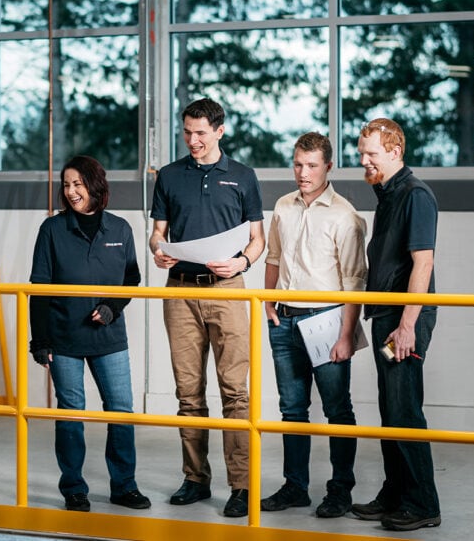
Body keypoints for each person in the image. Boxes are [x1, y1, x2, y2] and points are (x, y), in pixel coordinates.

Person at [149, 97, 265, 518]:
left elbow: (257, 239)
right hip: (179, 292)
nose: (193, 140)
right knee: (188, 393)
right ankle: (195, 479)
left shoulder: (243, 177)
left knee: (235, 392)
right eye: (187, 132)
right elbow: (157, 233)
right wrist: (159, 250)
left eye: (200, 133)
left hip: (228, 289)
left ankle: (241, 485)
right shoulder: (169, 176)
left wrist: (243, 261)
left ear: (220, 130)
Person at [28, 155, 150, 513]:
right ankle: (74, 488)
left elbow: (131, 281)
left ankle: (124, 486)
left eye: (78, 184)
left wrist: (112, 308)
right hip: (64, 338)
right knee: (71, 413)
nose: (71, 191)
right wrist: (41, 340)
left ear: (96, 186)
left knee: (120, 411)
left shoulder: (121, 229)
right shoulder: (52, 230)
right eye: (66, 185)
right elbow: (39, 287)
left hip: (109, 338)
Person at [259, 131, 368, 518]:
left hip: (326, 321)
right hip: (284, 320)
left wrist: (345, 336)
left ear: (328, 167)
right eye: (298, 164)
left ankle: (340, 491)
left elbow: (355, 281)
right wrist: (268, 303)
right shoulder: (283, 206)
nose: (303, 173)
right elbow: (273, 258)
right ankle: (295, 487)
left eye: (311, 166)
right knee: (292, 409)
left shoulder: (345, 215)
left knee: (338, 409)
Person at [349, 117, 441, 531]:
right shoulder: (387, 194)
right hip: (386, 314)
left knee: (404, 408)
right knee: (391, 408)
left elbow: (423, 263)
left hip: (404, 319)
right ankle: (395, 492)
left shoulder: (415, 195)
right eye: (361, 153)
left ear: (395, 151)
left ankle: (422, 504)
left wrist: (407, 326)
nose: (363, 161)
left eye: (371, 154)